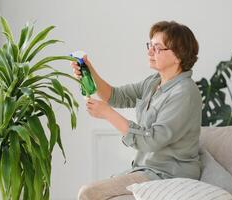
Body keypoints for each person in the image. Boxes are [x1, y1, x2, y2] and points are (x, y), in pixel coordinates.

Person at [71, 20, 202, 200]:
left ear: (178, 55)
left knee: (88, 193)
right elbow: (115, 96)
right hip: (146, 169)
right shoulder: (153, 82)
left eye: (157, 48)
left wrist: (108, 114)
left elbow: (153, 140)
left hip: (169, 174)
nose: (149, 52)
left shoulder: (185, 92)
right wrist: (89, 70)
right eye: (150, 45)